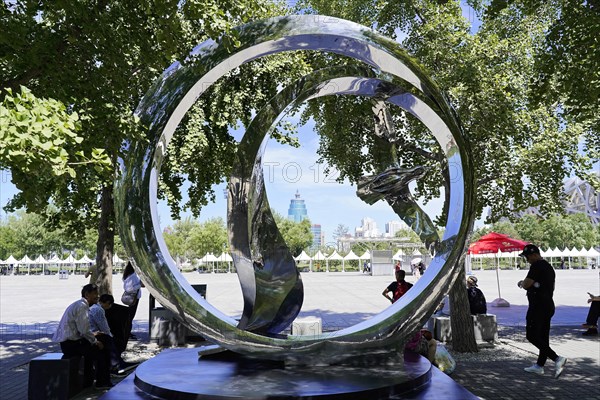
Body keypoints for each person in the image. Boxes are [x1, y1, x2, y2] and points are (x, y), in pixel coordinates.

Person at [517, 244, 567, 378]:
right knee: (543, 337)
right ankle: (539, 366)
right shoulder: (549, 267)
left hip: (537, 306)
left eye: (527, 257)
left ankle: (557, 358)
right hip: (548, 305)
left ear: (534, 254)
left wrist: (523, 283)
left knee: (531, 335)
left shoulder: (537, 265)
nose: (527, 260)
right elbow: (551, 286)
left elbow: (527, 284)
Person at [52, 284, 112, 389]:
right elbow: (83, 330)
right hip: (71, 345)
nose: (97, 296)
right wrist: (95, 341)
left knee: (97, 344)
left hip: (72, 342)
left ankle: (88, 381)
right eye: (95, 294)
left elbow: (81, 329)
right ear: (87, 294)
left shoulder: (80, 305)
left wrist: (94, 335)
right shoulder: (82, 307)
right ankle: (102, 382)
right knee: (102, 350)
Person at [123, 262, 143, 340]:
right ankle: (127, 333)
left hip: (133, 297)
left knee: (130, 316)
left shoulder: (129, 274)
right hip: (133, 298)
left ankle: (128, 332)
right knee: (130, 316)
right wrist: (139, 285)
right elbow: (128, 288)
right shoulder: (132, 276)